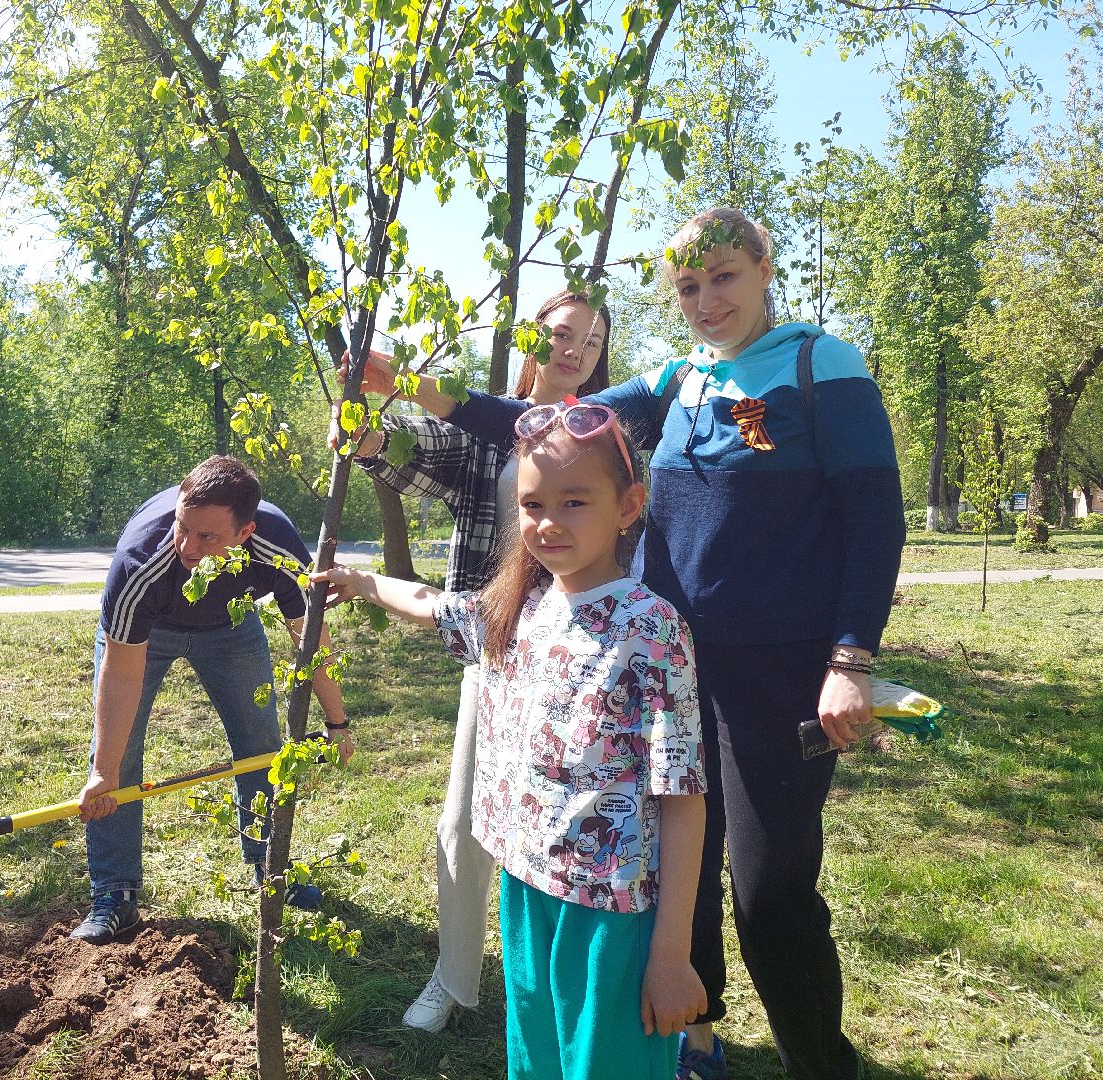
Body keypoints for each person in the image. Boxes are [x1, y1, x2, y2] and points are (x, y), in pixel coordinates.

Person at [352, 207, 905, 1080]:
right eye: (688, 286)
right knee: (670, 872)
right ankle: (698, 1040)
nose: (706, 300)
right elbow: (549, 428)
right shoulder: (678, 378)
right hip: (658, 676)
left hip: (775, 681)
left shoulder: (818, 365)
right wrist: (414, 384)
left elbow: (876, 517)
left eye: (724, 276)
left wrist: (850, 660)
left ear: (764, 267)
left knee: (767, 892)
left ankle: (818, 1059)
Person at [314, 403, 707, 1080]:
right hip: (525, 889)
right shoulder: (515, 612)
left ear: (628, 506)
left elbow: (682, 797)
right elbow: (433, 604)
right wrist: (364, 582)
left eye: (574, 502)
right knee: (538, 1064)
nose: (548, 523)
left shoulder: (654, 631)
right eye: (532, 504)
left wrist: (670, 955)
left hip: (606, 912)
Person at [331, 290, 612, 1032]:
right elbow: (410, 455)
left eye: (590, 339)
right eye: (559, 333)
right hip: (495, 649)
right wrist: (363, 433)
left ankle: (564, 981)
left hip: (589, 661)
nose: (573, 349)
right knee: (462, 823)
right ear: (531, 344)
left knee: (572, 824)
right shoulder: (489, 432)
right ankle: (453, 981)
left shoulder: (611, 434)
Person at [69, 455, 351, 945]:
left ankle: (270, 866)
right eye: (182, 526)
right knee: (118, 752)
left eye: (207, 537)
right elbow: (120, 678)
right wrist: (104, 773)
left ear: (244, 533)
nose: (186, 546)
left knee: (261, 743)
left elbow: (311, 642)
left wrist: (338, 722)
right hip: (149, 633)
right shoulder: (142, 562)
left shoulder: (276, 550)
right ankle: (115, 891)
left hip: (230, 628)